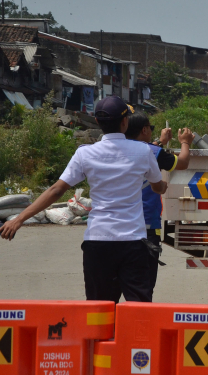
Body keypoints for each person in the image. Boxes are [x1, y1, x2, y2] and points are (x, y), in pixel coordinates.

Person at [0, 96, 168, 303]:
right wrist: (161, 186)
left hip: (97, 243)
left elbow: (55, 190)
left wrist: (18, 219)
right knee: (139, 308)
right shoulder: (143, 151)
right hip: (133, 242)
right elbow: (157, 186)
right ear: (124, 122)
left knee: (99, 309)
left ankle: (98, 337)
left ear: (97, 122)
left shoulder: (85, 154)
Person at [125, 112, 194, 278]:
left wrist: (160, 142)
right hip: (145, 227)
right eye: (151, 128)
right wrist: (185, 143)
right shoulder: (152, 152)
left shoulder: (117, 150)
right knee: (142, 286)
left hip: (115, 228)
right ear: (144, 130)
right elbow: (182, 163)